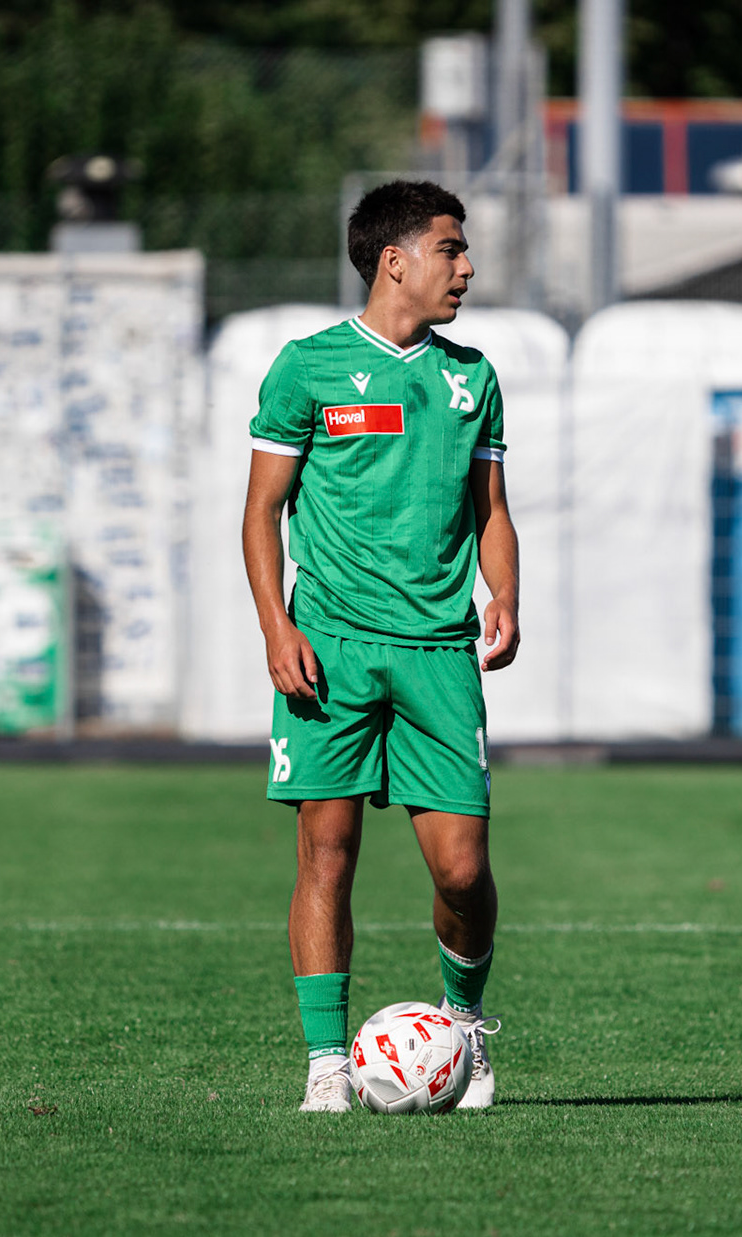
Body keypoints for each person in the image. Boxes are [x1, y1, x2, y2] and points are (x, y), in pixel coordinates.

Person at [240, 180, 521, 1112]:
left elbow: (493, 513)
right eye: (452, 249)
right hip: (329, 650)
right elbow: (261, 511)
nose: (467, 266)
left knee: (463, 869)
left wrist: (504, 596)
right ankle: (327, 1060)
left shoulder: (471, 377)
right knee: (325, 855)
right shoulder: (305, 368)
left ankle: (465, 1029)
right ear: (394, 260)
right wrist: (277, 628)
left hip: (439, 653)